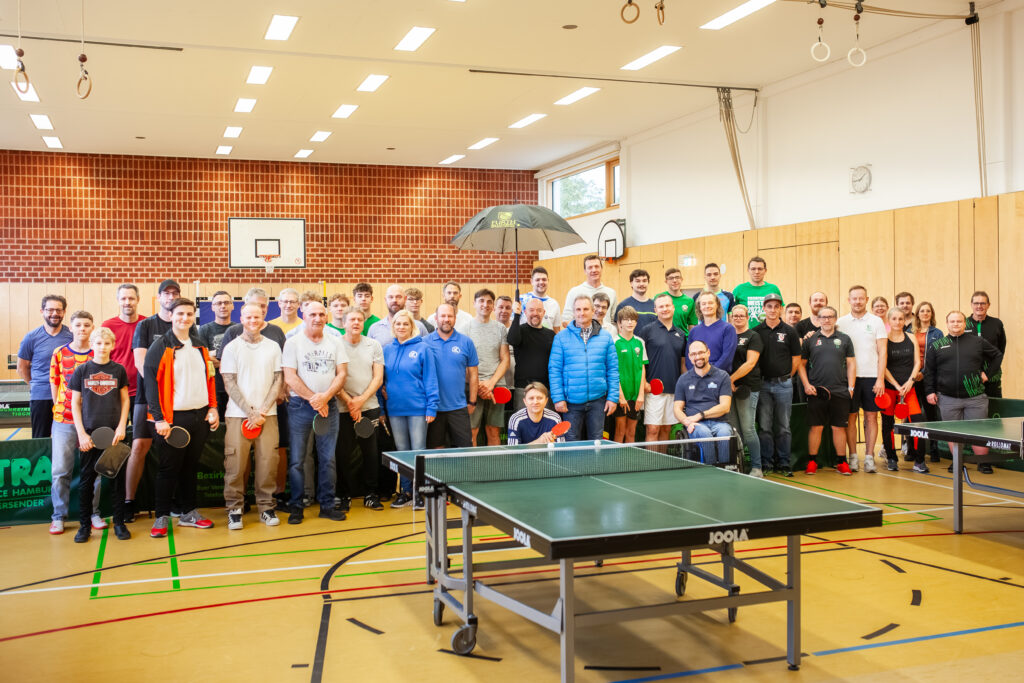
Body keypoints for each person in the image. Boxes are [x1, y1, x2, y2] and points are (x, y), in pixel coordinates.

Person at [143, 297, 219, 538]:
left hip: (200, 417)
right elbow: (151, 386)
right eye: (180, 314)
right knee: (168, 469)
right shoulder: (160, 346)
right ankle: (162, 517)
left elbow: (210, 379)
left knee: (190, 467)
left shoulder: (199, 346)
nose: (184, 318)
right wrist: (159, 418)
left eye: (189, 314)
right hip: (171, 419)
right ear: (170, 315)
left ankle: (189, 513)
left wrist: (213, 408)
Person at [215, 288, 289, 507]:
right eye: (248, 317)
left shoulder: (274, 346)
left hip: (269, 415)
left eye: (257, 317)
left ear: (263, 317)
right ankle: (234, 508)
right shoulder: (231, 347)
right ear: (241, 319)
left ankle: (267, 506)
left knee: (268, 464)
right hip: (238, 415)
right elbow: (229, 382)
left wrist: (263, 410)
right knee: (236, 465)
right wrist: (250, 412)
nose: (253, 321)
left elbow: (278, 379)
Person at [127, 278, 189, 520]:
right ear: (159, 297)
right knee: (139, 447)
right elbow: (140, 363)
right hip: (148, 398)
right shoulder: (145, 326)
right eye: (166, 293)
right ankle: (129, 501)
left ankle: (172, 500)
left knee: (173, 450)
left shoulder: (187, 327)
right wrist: (159, 392)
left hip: (180, 401)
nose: (170, 296)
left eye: (175, 293)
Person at [282, 301, 348, 524]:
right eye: (312, 314)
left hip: (328, 408)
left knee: (328, 459)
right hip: (300, 407)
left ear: (326, 316)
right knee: (297, 460)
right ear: (304, 315)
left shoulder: (336, 342)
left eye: (321, 314)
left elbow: (341, 374)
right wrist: (314, 399)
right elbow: (290, 377)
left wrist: (325, 397)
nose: (317, 318)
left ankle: (327, 505)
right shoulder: (292, 343)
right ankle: (297, 506)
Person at [69, 327, 131, 542]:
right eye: (98, 343)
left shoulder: (119, 370)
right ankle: (84, 526)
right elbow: (75, 404)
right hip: (90, 435)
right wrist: (82, 434)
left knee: (116, 481)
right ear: (92, 345)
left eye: (106, 343)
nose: (102, 347)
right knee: (86, 482)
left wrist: (122, 426)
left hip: (114, 435)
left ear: (112, 346)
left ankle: (120, 523)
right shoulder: (81, 371)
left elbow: (125, 400)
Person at [925, 311, 1003, 475]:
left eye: (959, 321)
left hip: (976, 398)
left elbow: (997, 355)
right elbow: (930, 371)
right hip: (947, 398)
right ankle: (957, 462)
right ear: (947, 324)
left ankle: (983, 463)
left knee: (979, 431)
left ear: (964, 324)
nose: (955, 324)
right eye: (952, 321)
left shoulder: (977, 342)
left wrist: (987, 374)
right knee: (953, 434)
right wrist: (930, 391)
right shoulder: (937, 345)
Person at [47, 310, 102, 535]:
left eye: (86, 325)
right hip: (64, 421)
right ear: (71, 327)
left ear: (92, 328)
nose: (82, 329)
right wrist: (60, 408)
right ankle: (59, 516)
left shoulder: (97, 354)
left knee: (94, 471)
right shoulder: (59, 353)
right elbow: (55, 382)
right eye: (78, 325)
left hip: (92, 421)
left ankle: (93, 512)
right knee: (61, 470)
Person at [382, 310, 439, 507]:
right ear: (393, 326)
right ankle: (406, 492)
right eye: (398, 324)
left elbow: (431, 379)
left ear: (412, 327)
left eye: (405, 324)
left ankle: (419, 493)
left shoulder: (423, 348)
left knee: (418, 452)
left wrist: (431, 407)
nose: (401, 327)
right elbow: (382, 382)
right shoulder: (387, 350)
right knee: (402, 452)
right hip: (395, 409)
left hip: (418, 409)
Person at [335, 306, 386, 510]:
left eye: (359, 319)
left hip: (369, 406)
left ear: (364, 323)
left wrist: (360, 401)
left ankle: (371, 494)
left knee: (370, 453)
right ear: (344, 323)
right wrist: (349, 401)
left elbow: (378, 377)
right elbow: (334, 377)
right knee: (343, 454)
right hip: (342, 408)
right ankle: (343, 495)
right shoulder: (335, 344)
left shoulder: (373, 345)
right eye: (352, 319)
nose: (356, 323)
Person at [548, 295, 618, 441]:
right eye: (578, 309)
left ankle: (595, 465)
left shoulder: (606, 337)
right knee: (571, 441)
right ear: (573, 312)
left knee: (596, 441)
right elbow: (554, 370)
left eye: (586, 309)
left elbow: (612, 369)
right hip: (570, 402)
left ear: (593, 311)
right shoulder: (561, 337)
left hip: (598, 401)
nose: (581, 313)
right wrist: (558, 398)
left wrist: (612, 397)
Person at [798, 306, 856, 475]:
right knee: (816, 427)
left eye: (830, 317)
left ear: (835, 319)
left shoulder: (845, 339)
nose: (827, 320)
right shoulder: (811, 339)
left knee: (839, 428)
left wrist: (851, 387)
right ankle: (812, 462)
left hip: (840, 390)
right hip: (817, 391)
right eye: (823, 317)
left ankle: (841, 462)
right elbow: (801, 365)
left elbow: (851, 363)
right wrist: (807, 385)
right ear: (819, 319)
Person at [836, 285, 887, 473]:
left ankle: (869, 457)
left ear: (867, 299)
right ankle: (853, 457)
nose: (857, 301)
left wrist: (880, 378)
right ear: (848, 300)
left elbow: (882, 352)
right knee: (850, 417)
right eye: (854, 298)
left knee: (872, 417)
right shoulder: (841, 322)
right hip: (848, 378)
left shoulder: (877, 322)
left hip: (871, 377)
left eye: (861, 298)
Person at [753, 293, 801, 476]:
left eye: (776, 306)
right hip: (763, 386)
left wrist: (788, 376)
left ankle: (784, 463)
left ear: (781, 308)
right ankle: (767, 463)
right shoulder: (757, 331)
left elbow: (796, 358)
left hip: (784, 385)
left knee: (783, 427)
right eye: (769, 306)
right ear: (764, 309)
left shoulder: (790, 331)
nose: (773, 310)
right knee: (764, 427)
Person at [17, 294, 72, 438]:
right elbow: (22, 368)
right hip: (41, 396)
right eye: (50, 310)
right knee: (41, 438)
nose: (55, 314)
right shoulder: (31, 337)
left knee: (67, 437)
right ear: (42, 311)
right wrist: (37, 384)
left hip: (66, 397)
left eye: (59, 310)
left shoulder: (71, 336)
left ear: (64, 312)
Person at [424, 303, 478, 449]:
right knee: (436, 451)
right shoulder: (425, 343)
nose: (446, 319)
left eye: (450, 316)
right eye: (442, 316)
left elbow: (473, 374)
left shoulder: (466, 342)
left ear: (455, 318)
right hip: (434, 408)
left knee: (464, 450)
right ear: (436, 318)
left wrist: (472, 401)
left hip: (459, 407)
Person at [673, 340, 734, 464]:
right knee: (703, 432)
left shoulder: (723, 376)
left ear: (708, 353)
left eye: (701, 353)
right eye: (694, 354)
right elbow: (677, 408)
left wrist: (699, 415)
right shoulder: (683, 379)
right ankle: (711, 469)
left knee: (725, 433)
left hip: (720, 422)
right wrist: (687, 422)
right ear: (690, 357)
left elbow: (725, 407)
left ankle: (726, 469)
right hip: (696, 425)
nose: (698, 357)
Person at [638, 294, 686, 446]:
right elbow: (639, 361)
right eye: (661, 306)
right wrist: (644, 383)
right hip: (653, 389)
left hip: (674, 389)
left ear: (673, 307)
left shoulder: (681, 334)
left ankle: (663, 466)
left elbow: (683, 363)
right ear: (655, 310)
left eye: (667, 306)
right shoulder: (647, 331)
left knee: (666, 430)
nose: (664, 309)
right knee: (653, 429)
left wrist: (683, 387)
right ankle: (652, 467)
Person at [880, 308, 924, 472]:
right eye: (894, 319)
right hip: (891, 389)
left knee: (918, 424)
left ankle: (919, 461)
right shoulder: (883, 340)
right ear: (889, 321)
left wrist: (910, 382)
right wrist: (897, 386)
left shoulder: (911, 337)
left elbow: (917, 363)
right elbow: (882, 366)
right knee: (887, 425)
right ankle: (891, 458)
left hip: (909, 389)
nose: (898, 322)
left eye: (900, 319)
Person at [465, 289, 510, 446]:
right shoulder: (465, 328)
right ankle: (472, 469)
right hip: (472, 386)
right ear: (474, 304)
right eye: (481, 301)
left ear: (493, 306)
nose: (485, 304)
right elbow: (462, 362)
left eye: (489, 302)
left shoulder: (500, 328)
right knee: (472, 431)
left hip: (496, 386)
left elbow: (505, 359)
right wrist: (477, 385)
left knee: (493, 430)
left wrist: (490, 383)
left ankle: (494, 469)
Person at [727, 305, 763, 477]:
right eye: (735, 315)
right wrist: (727, 383)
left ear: (747, 317)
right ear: (731, 317)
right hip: (729, 389)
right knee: (734, 429)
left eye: (742, 315)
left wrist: (731, 379)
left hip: (747, 387)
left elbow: (750, 363)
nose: (738, 318)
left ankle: (757, 467)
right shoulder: (728, 335)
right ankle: (737, 464)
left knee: (748, 429)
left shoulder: (753, 336)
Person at [910, 301, 943, 462]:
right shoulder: (910, 331)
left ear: (932, 314)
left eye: (928, 311)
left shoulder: (937, 333)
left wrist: (923, 373)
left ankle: (934, 448)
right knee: (911, 414)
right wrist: (913, 374)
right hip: (911, 378)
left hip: (928, 378)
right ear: (917, 314)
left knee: (931, 414)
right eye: (922, 311)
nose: (925, 313)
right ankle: (911, 449)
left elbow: (938, 358)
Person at [507, 297, 556, 408]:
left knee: (546, 424)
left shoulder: (551, 335)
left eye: (539, 310)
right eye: (531, 310)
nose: (535, 313)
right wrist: (516, 315)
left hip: (545, 389)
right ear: (525, 312)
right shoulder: (519, 331)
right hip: (523, 388)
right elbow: (512, 340)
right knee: (522, 423)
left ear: (543, 312)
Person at [102, 284, 142, 403]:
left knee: (140, 422)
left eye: (131, 298)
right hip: (116, 389)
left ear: (138, 300)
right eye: (123, 298)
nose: (127, 302)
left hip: (141, 390)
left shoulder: (146, 324)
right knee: (119, 423)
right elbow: (102, 358)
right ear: (118, 300)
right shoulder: (108, 326)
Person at [198, 290, 235, 420]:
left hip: (236, 387)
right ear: (213, 307)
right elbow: (204, 359)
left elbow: (242, 360)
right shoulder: (204, 330)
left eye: (226, 302)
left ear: (232, 305)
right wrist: (230, 363)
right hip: (214, 387)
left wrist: (217, 360)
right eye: (218, 303)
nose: (223, 306)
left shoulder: (239, 329)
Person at [613, 306, 647, 444]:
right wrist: (620, 396)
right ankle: (617, 463)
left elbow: (642, 368)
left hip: (636, 396)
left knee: (631, 432)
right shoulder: (614, 342)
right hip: (621, 396)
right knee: (620, 430)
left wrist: (641, 395)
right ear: (619, 323)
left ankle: (629, 462)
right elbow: (613, 371)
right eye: (626, 320)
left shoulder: (640, 342)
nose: (630, 323)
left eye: (633, 320)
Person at [686, 290, 737, 372]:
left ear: (717, 305)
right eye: (704, 304)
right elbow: (689, 358)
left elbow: (727, 357)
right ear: (699, 307)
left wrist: (709, 373)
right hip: (697, 377)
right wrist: (697, 374)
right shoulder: (694, 331)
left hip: (719, 377)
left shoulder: (728, 329)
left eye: (710, 303)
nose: (707, 306)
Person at [968, 291, 1006, 398]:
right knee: (974, 412)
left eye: (983, 303)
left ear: (988, 305)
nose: (979, 306)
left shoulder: (997, 323)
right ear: (971, 304)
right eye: (976, 303)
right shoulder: (964, 324)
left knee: (995, 410)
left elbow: (1001, 350)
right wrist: (978, 372)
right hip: (970, 377)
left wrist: (988, 374)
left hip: (993, 376)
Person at [562, 255, 617, 328]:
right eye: (590, 267)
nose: (594, 270)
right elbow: (566, 320)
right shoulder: (574, 292)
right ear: (585, 271)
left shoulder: (611, 293)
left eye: (596, 266)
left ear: (601, 268)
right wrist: (582, 334)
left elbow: (614, 321)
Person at [732, 256, 782, 327]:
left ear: (765, 271)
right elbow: (732, 314)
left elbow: (781, 312)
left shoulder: (773, 289)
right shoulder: (739, 289)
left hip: (769, 332)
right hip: (747, 334)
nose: (756, 272)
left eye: (760, 269)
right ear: (748, 270)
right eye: (753, 269)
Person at [662, 267, 698, 331]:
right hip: (663, 338)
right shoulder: (659, 298)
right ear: (666, 281)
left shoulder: (689, 301)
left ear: (681, 279)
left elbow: (692, 325)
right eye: (671, 278)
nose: (674, 280)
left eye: (677, 277)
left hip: (683, 339)